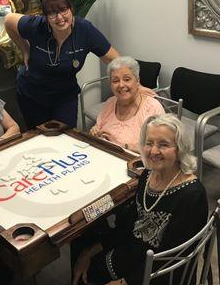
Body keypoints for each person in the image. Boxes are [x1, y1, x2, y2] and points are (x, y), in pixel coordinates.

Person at [72, 114, 208, 285]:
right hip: (134, 254)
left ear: (179, 149)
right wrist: (90, 252)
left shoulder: (192, 196)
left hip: (158, 276)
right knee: (81, 245)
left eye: (163, 144)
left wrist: (125, 282)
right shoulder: (148, 175)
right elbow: (128, 225)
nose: (154, 151)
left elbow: (173, 258)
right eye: (149, 143)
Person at [4, 0, 119, 129]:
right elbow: (8, 21)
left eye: (63, 10)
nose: (59, 17)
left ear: (71, 9)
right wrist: (24, 49)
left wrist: (137, 84)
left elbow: (115, 60)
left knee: (66, 135)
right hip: (32, 94)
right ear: (45, 16)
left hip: (64, 96)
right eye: (52, 13)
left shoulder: (85, 30)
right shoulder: (35, 26)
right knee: (40, 137)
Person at [90, 56, 165, 151]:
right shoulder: (110, 103)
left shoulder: (152, 108)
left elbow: (158, 148)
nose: (121, 85)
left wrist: (121, 146)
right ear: (110, 85)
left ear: (137, 81)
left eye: (127, 79)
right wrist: (95, 131)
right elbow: (98, 126)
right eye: (115, 81)